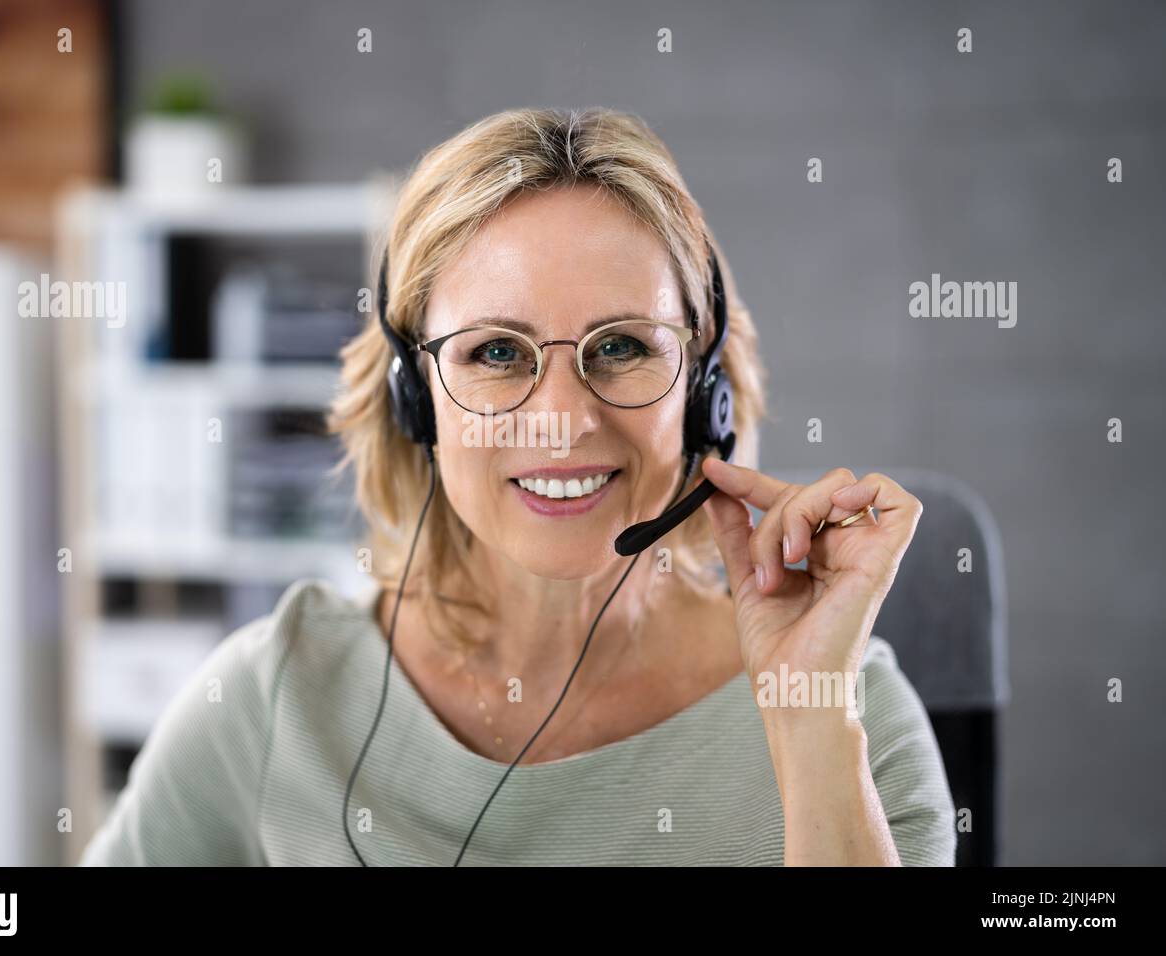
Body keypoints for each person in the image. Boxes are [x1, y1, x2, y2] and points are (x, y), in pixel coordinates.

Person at [80, 106, 956, 866]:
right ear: (415, 398)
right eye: (497, 353)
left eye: (623, 345)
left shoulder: (850, 713)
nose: (563, 420)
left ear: (705, 392)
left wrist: (809, 724)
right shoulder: (279, 700)